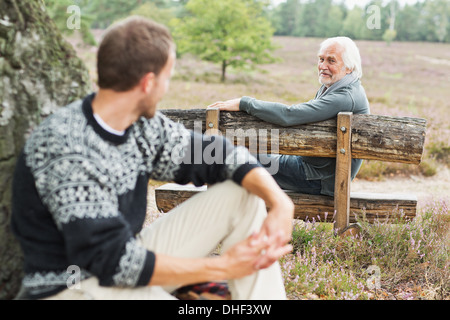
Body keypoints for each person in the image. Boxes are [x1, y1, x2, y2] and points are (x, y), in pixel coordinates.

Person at [11, 16, 294, 300]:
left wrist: (280, 202)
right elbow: (114, 262)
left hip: (124, 261)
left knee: (243, 192)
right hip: (71, 287)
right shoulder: (68, 144)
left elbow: (220, 155)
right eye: (167, 77)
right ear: (148, 82)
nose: (167, 87)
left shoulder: (142, 127)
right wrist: (222, 266)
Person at [208, 36, 370, 197]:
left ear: (349, 67)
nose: (322, 66)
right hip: (315, 170)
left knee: (241, 159)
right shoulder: (340, 87)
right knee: (244, 156)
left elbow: (289, 115)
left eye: (331, 61)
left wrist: (244, 103)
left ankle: (224, 211)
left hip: (319, 179)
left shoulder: (345, 96)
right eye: (321, 59)